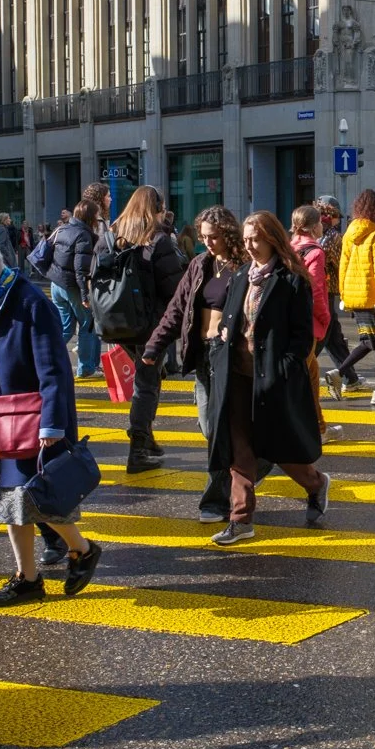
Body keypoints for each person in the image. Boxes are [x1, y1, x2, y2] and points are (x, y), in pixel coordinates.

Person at [0, 238, 103, 606]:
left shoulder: (32, 302)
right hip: (6, 413)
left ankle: (79, 550)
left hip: (32, 417)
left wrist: (53, 424)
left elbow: (54, 369)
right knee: (8, 498)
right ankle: (30, 576)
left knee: (34, 496)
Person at [204, 211, 331, 546]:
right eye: (245, 240)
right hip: (237, 378)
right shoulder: (242, 273)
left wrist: (285, 370)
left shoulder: (292, 279)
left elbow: (303, 338)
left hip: (271, 378)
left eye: (255, 239)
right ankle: (240, 520)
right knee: (239, 451)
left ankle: (315, 484)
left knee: (279, 448)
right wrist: (221, 341)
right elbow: (230, 320)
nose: (249, 246)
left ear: (273, 238)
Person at [144, 205, 266, 523]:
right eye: (202, 236)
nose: (206, 242)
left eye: (212, 237)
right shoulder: (200, 265)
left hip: (233, 358)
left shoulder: (245, 267)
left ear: (227, 233)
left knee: (221, 434)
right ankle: (244, 475)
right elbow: (176, 309)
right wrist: (155, 346)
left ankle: (214, 501)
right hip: (203, 358)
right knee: (209, 428)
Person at [95, 186, 185, 473]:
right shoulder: (158, 240)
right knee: (146, 384)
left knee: (149, 377)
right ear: (156, 208)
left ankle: (147, 438)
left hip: (118, 320)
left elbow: (92, 274)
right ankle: (138, 448)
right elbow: (174, 285)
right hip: (150, 324)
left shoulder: (110, 236)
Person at [326, 189, 375, 406]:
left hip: (355, 296)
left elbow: (343, 265)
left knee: (369, 342)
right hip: (374, 299)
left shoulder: (350, 231)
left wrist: (344, 294)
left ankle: (339, 373)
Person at [290, 205, 344, 443]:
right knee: (304, 378)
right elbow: (317, 290)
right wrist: (325, 318)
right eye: (321, 222)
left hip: (291, 321)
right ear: (314, 226)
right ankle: (309, 431)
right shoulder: (315, 251)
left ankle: (320, 428)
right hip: (308, 324)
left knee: (310, 374)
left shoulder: (289, 248)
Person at [46, 199, 102, 379]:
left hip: (56, 284)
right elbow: (81, 269)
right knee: (87, 325)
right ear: (91, 216)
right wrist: (85, 296)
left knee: (65, 327)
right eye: (96, 214)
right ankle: (85, 368)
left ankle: (45, 359)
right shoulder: (83, 235)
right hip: (72, 286)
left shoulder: (64, 229)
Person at [312, 196, 363, 392]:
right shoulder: (333, 237)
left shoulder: (313, 234)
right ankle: (299, 369)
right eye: (335, 216)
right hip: (327, 291)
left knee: (334, 337)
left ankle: (350, 377)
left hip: (319, 291)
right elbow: (342, 265)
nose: (338, 220)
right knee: (326, 335)